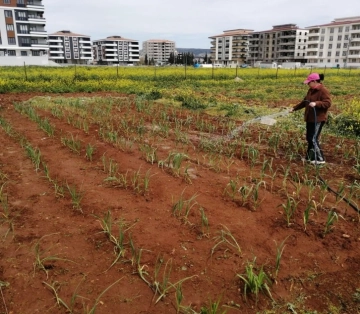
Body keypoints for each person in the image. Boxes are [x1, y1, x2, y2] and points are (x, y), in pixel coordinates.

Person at [290, 73, 331, 165]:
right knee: (309, 138)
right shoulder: (311, 90)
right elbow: (305, 102)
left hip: (318, 119)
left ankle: (320, 159)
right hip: (310, 118)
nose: (308, 84)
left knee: (313, 138)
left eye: (309, 82)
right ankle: (309, 158)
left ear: (315, 81)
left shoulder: (323, 91)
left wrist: (316, 103)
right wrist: (294, 108)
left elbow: (327, 103)